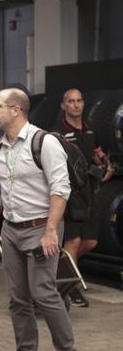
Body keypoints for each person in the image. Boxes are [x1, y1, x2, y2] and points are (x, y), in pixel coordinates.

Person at [0, 88, 81, 351]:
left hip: (41, 228)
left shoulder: (44, 143)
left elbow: (60, 189)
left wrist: (51, 230)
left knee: (44, 294)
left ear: (16, 110)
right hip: (11, 230)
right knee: (18, 299)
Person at [53, 88, 116, 307]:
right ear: (63, 105)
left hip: (89, 193)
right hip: (69, 195)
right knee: (73, 240)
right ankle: (72, 288)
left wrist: (103, 163)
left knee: (90, 241)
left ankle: (62, 269)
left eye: (79, 101)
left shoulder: (89, 129)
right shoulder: (57, 132)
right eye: (71, 101)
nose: (76, 105)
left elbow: (97, 153)